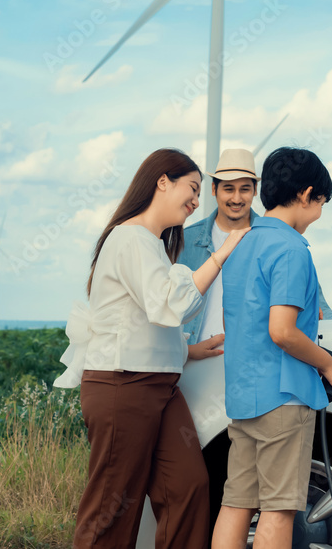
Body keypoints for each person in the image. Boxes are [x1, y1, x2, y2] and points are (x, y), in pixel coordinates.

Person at [54, 148, 250, 549]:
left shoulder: (154, 244)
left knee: (188, 488)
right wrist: (222, 254)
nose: (197, 201)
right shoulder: (130, 238)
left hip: (160, 388)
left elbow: (142, 321)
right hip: (121, 388)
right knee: (112, 509)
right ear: (163, 181)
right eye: (192, 189)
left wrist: (187, 351)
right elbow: (169, 305)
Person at [211, 147, 332, 549]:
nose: (318, 214)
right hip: (283, 400)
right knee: (278, 509)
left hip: (242, 396)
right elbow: (283, 331)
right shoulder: (291, 250)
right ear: (307, 195)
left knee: (236, 504)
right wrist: (329, 366)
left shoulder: (240, 246)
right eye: (320, 203)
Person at [180, 149, 332, 350]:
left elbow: (319, 307)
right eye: (228, 189)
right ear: (214, 189)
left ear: (256, 190)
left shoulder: (279, 243)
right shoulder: (185, 240)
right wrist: (184, 351)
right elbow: (168, 305)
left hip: (250, 357)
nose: (236, 198)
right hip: (198, 356)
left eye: (245, 189)